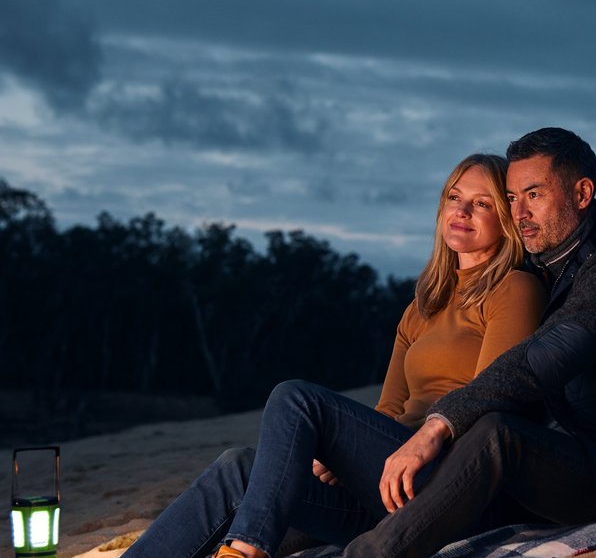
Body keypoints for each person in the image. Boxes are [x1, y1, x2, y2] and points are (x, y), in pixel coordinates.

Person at [124, 153, 546, 558]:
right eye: (454, 197)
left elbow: (493, 399)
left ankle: (245, 552)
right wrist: (346, 457)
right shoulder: (423, 307)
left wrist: (369, 445)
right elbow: (390, 408)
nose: (462, 210)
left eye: (482, 203)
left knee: (297, 399)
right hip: (390, 485)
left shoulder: (514, 289)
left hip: (456, 483)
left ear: (507, 222)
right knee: (238, 469)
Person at [343, 127, 596, 557]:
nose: (519, 212)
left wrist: (438, 424)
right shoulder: (545, 269)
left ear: (582, 193)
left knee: (498, 435)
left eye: (534, 194)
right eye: (512, 198)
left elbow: (543, 360)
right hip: (574, 456)